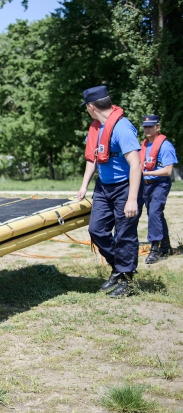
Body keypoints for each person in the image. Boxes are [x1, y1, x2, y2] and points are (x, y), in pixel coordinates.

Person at [76, 85, 142, 298]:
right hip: (103, 187)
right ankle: (118, 266)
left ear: (91, 106)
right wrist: (84, 185)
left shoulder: (122, 128)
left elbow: (135, 164)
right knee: (96, 230)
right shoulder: (96, 128)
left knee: (124, 234)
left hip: (125, 187)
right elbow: (92, 159)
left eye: (86, 107)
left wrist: (132, 199)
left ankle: (127, 280)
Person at [140, 114, 178, 263]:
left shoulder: (165, 146)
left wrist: (146, 173)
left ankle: (154, 249)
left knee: (154, 212)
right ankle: (166, 245)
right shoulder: (143, 145)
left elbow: (168, 171)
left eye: (150, 126)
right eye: (145, 126)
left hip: (159, 184)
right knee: (155, 214)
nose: (147, 129)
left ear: (157, 127)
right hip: (145, 185)